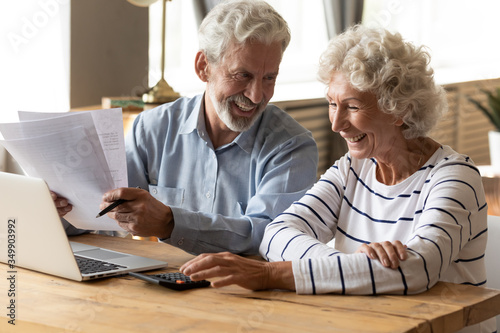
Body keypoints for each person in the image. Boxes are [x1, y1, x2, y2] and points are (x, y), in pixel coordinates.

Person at [179, 25, 495, 332]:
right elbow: (276, 233)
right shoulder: (352, 169)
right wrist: (348, 264)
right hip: (362, 323)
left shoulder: (455, 177)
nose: (336, 123)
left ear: (399, 110)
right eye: (332, 104)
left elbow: (416, 270)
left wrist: (270, 275)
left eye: (352, 106)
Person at [54, 0, 318, 255]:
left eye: (269, 78)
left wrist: (170, 222)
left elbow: (267, 236)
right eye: (242, 75)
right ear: (203, 67)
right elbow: (106, 216)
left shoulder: (292, 146)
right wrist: (61, 211)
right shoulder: (151, 129)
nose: (257, 95)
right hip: (158, 285)